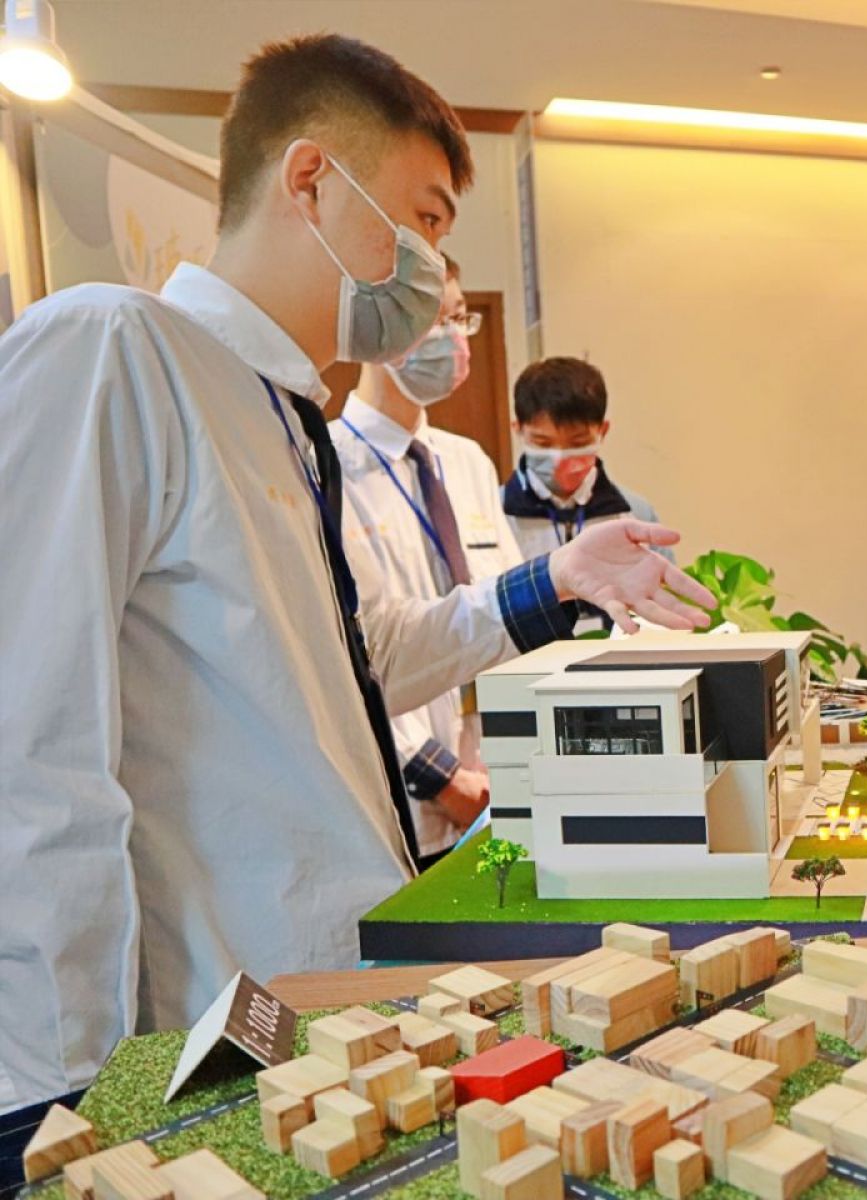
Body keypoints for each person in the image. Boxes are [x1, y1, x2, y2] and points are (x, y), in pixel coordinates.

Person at [0, 34, 711, 1116]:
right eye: (423, 220)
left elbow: (349, 660)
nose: (432, 269)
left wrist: (556, 577)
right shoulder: (113, 348)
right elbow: (30, 745)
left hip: (321, 998)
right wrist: (57, 1098)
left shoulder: (282, 415)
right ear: (311, 180)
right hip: (192, 1032)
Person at [332, 255, 521, 863]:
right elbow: (351, 651)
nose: (453, 338)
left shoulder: (466, 462)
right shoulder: (326, 467)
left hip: (500, 779)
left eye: (460, 318)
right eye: (433, 319)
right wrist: (440, 778)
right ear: (376, 326)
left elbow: (503, 613)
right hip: (409, 798)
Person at [502, 356, 667, 562]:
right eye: (543, 443)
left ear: (602, 431)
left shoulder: (636, 513)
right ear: (518, 430)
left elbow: (665, 580)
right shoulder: (494, 514)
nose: (559, 459)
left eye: (578, 443)